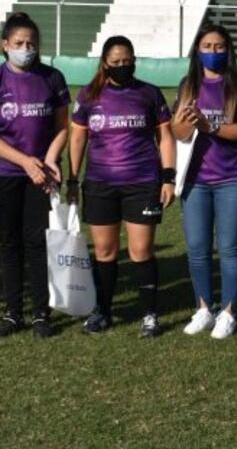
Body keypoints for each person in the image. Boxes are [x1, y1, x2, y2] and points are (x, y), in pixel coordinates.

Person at [67, 36, 176, 338]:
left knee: (141, 250)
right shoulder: (89, 95)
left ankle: (150, 315)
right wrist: (73, 180)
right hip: (100, 184)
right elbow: (77, 139)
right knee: (104, 250)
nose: (122, 66)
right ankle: (103, 311)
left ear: (134, 60)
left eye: (127, 61)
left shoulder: (149, 93)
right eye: (115, 62)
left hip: (142, 183)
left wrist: (168, 177)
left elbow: (165, 137)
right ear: (104, 62)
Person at [171, 24, 237, 340]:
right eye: (206, 46)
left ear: (228, 49)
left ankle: (229, 312)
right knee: (197, 249)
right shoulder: (188, 85)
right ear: (197, 49)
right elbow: (177, 134)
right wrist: (186, 124)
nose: (212, 52)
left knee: (229, 248)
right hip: (194, 181)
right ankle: (204, 309)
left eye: (219, 46)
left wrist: (210, 127)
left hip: (232, 180)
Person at [0, 13, 69, 338]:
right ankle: (14, 314)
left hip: (40, 175)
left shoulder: (52, 78)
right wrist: (24, 161)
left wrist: (50, 159)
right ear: (5, 46)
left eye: (31, 43)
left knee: (38, 242)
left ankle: (42, 314)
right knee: (9, 242)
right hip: (6, 173)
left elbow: (62, 127)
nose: (26, 49)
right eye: (19, 43)